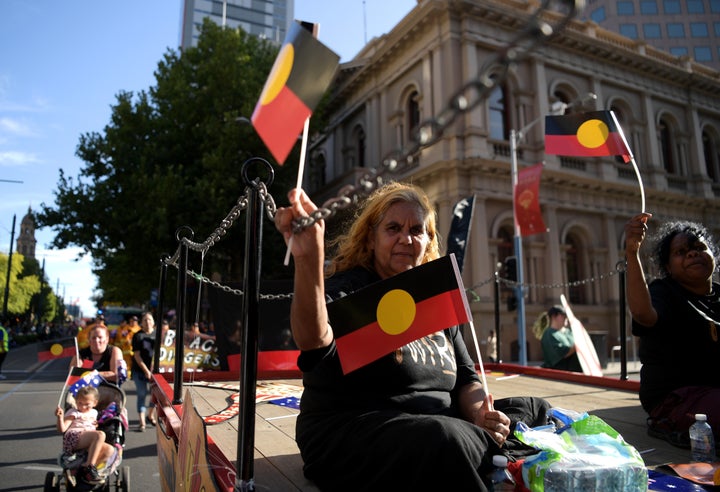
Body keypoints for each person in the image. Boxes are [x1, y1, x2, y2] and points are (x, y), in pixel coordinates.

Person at [274, 183, 552, 491]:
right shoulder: (350, 289)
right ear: (370, 238)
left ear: (428, 240)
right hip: (353, 430)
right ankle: (486, 456)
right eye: (393, 228)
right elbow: (314, 342)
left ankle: (483, 450)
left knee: (534, 409)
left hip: (440, 422)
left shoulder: (434, 295)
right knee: (445, 438)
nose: (406, 239)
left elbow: (466, 379)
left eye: (417, 230)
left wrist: (480, 414)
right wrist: (308, 258)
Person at [625, 213, 720, 447]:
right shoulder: (664, 291)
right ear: (668, 266)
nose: (693, 253)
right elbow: (643, 314)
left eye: (699, 247)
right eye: (681, 252)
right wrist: (631, 253)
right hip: (674, 399)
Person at [55, 385, 115, 484]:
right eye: (80, 403)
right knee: (100, 435)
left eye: (87, 404)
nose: (82, 407)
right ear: (75, 401)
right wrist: (60, 418)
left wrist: (95, 424)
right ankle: (90, 466)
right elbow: (62, 429)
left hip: (87, 438)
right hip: (74, 437)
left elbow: (91, 426)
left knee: (110, 450)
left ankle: (83, 470)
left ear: (95, 403)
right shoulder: (73, 412)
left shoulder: (94, 412)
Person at [533, 305, 582, 372]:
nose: (566, 317)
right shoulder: (549, 334)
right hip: (558, 376)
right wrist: (578, 345)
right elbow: (563, 354)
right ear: (554, 317)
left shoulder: (569, 332)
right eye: (563, 315)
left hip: (576, 373)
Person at [131, 312, 156, 431]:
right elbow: (137, 355)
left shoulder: (158, 335)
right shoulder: (137, 336)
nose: (147, 322)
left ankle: (150, 415)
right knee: (142, 393)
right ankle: (142, 422)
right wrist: (146, 370)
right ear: (141, 322)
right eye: (145, 320)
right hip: (139, 370)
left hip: (155, 371)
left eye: (150, 320)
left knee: (156, 395)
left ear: (154, 322)